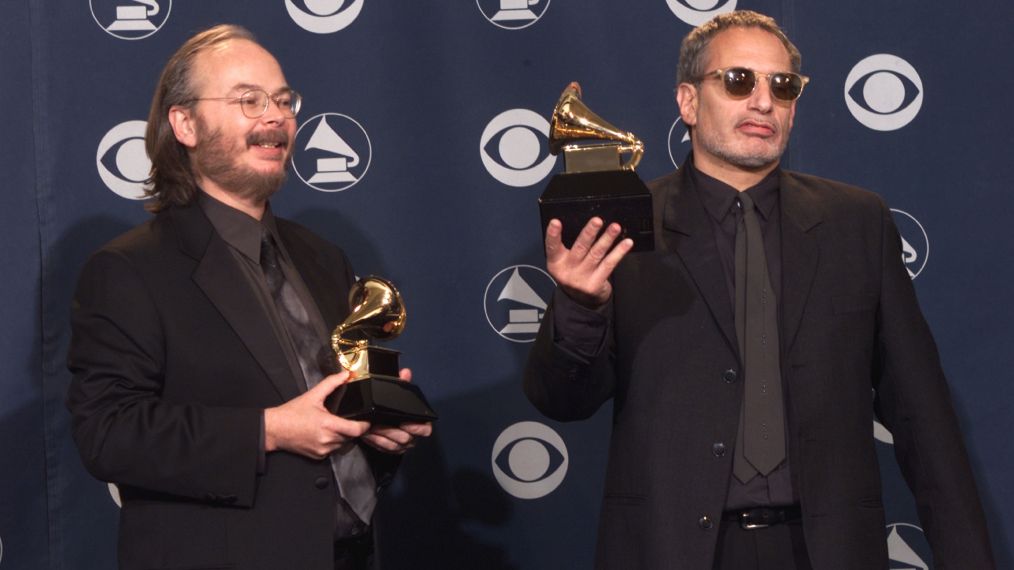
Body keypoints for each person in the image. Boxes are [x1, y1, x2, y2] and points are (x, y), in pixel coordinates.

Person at [524, 10, 994, 570]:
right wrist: (581, 304)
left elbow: (922, 415)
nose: (764, 102)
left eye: (783, 86)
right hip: (674, 550)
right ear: (688, 102)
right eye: (739, 81)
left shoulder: (857, 223)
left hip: (827, 550)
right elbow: (563, 401)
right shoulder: (625, 226)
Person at [66, 24, 431, 570]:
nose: (276, 119)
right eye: (249, 100)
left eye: (285, 102)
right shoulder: (128, 270)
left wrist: (378, 424)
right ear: (185, 123)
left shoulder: (322, 257)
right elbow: (108, 434)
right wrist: (270, 431)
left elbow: (328, 403)